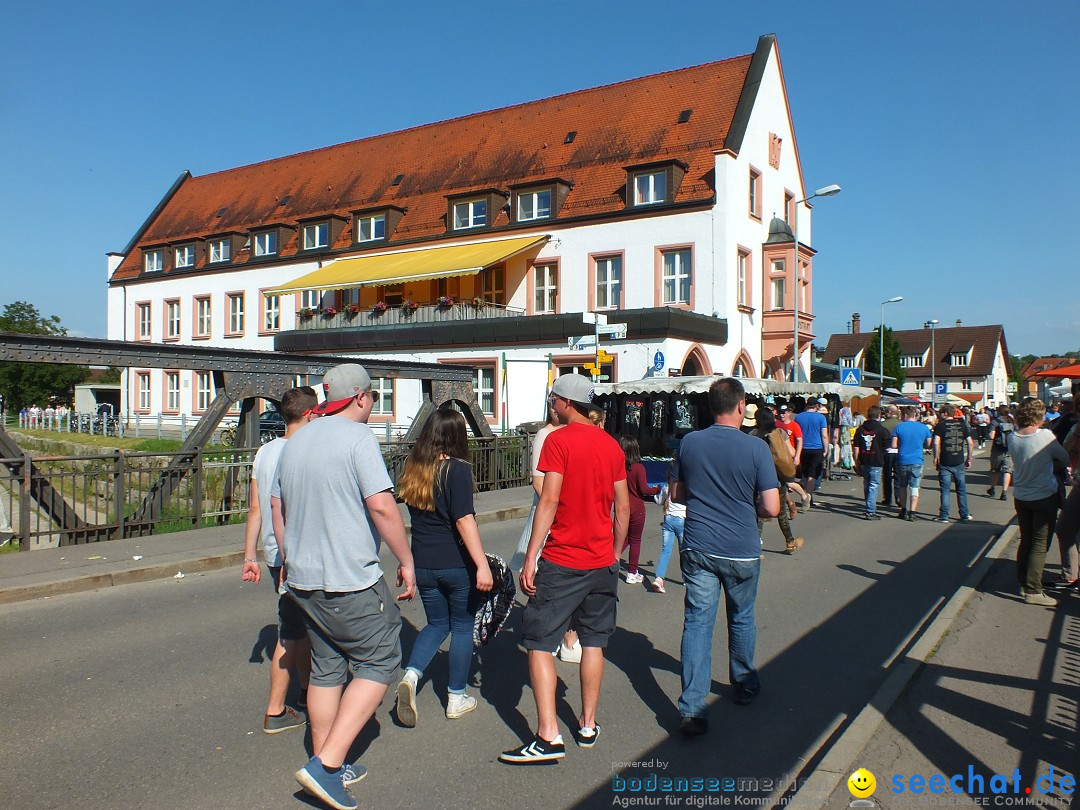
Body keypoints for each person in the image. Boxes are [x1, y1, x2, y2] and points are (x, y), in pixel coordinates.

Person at [273, 364, 417, 810]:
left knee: (328, 667)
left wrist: (287, 557)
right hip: (348, 577)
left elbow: (278, 507)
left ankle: (323, 754)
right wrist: (406, 561)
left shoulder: (293, 444)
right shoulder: (358, 440)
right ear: (360, 397)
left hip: (303, 579)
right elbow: (382, 507)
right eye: (373, 396)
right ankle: (328, 765)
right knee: (380, 660)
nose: (373, 405)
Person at [500, 373, 629, 764]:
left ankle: (548, 735)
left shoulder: (558, 440)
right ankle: (588, 725)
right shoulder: (612, 446)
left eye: (554, 400)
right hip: (602, 561)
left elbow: (549, 499)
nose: (552, 406)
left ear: (567, 403)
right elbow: (622, 507)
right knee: (594, 642)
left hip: (563, 560)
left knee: (538, 644)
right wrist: (616, 551)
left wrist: (532, 554)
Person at [671, 378, 780, 736]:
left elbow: (679, 494)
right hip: (741, 548)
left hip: (699, 544)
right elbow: (770, 507)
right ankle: (744, 683)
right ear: (740, 407)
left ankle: (692, 708)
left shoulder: (689, 443)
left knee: (698, 623)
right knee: (742, 618)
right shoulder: (756, 449)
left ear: (710, 406)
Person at [395, 409, 493, 727]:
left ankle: (411, 676)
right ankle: (456, 697)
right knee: (462, 627)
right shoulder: (457, 470)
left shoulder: (413, 468)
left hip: (423, 562)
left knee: (436, 624)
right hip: (455, 563)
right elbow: (463, 520)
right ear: (456, 435)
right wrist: (482, 565)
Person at [241, 386, 318, 734]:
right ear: (311, 414)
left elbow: (256, 508)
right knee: (293, 632)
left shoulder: (265, 452)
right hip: (299, 552)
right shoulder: (308, 451)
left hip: (274, 552)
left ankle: (306, 691)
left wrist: (249, 555)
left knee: (299, 628)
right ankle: (275, 710)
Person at [1008, 398, 1070, 607]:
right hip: (1043, 495)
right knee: (1040, 543)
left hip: (1022, 495)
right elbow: (1065, 458)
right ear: (1039, 416)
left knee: (1026, 540)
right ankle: (1034, 590)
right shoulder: (1045, 436)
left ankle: (1023, 581)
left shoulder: (1012, 437)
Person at [751, 407, 804, 553]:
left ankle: (756, 547)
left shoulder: (752, 435)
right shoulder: (779, 433)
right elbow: (792, 452)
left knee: (759, 512)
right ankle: (790, 542)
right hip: (776, 478)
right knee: (781, 512)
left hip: (757, 478)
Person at [620, 435, 660, 584]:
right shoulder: (638, 467)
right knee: (635, 540)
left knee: (622, 538)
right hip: (637, 508)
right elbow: (644, 489)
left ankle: (611, 558)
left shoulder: (620, 467)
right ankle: (632, 572)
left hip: (622, 505)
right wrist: (657, 490)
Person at [933, 407, 975, 523]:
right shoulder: (962, 426)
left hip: (945, 461)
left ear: (945, 414)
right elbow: (970, 443)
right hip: (959, 461)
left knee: (945, 490)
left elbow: (936, 443)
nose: (939, 415)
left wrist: (936, 457)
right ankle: (965, 514)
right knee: (961, 489)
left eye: (941, 413)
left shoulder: (940, 426)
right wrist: (969, 459)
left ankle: (944, 516)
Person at [892, 406, 932, 520]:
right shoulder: (923, 428)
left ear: (904, 415)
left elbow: (894, 445)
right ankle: (913, 512)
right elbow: (928, 444)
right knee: (915, 486)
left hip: (902, 460)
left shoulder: (898, 427)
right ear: (914, 415)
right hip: (917, 460)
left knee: (903, 486)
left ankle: (903, 510)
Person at [853, 406, 892, 520]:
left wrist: (856, 462)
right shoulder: (882, 430)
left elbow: (856, 448)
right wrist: (882, 453)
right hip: (877, 461)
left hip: (864, 460)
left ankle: (868, 505)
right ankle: (870, 511)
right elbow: (888, 447)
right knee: (873, 485)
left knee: (867, 483)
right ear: (879, 416)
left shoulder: (860, 429)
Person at [794, 399, 828, 510]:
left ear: (806, 405)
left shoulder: (799, 417)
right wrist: (826, 448)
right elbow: (824, 435)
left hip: (803, 448)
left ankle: (807, 496)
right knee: (813, 475)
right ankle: (807, 497)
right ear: (817, 406)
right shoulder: (821, 418)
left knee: (805, 473)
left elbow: (797, 434)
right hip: (816, 448)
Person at [653, 481, 684, 594]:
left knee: (666, 550)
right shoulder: (686, 484)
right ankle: (687, 577)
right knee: (684, 551)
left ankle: (659, 578)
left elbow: (658, 501)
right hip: (682, 519)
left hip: (668, 519)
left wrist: (658, 492)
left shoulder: (667, 486)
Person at [987, 405, 1015, 500]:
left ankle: (993, 488)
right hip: (1010, 449)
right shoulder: (1012, 421)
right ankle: (1004, 492)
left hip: (997, 449)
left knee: (995, 470)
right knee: (1007, 471)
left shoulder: (995, 421)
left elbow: (991, 436)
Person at [880, 405, 901, 508]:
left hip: (887, 452)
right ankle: (899, 497)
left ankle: (887, 498)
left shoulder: (883, 425)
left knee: (887, 475)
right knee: (898, 476)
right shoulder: (901, 424)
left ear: (888, 413)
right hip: (900, 452)